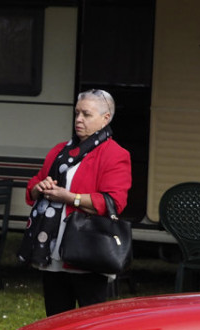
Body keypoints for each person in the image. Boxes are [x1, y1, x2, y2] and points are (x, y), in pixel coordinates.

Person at [18, 89, 131, 316]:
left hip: (87, 250)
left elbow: (113, 202)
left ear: (105, 118)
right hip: (51, 248)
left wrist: (69, 198)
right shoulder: (60, 150)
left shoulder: (115, 154)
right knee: (56, 318)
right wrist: (39, 188)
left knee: (91, 322)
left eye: (86, 115)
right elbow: (34, 183)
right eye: (77, 113)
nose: (78, 119)